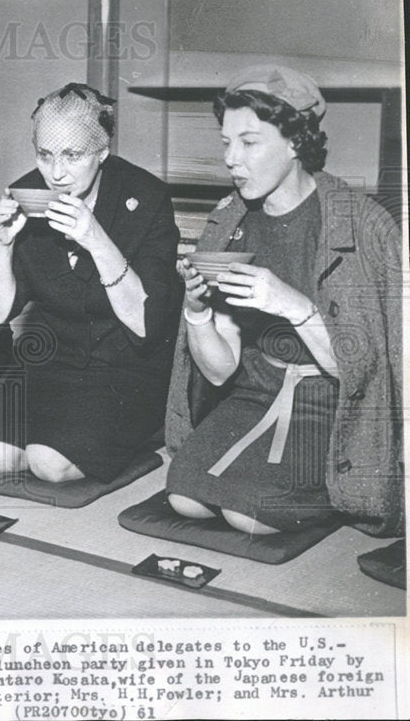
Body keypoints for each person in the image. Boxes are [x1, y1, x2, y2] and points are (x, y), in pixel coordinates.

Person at [165, 65, 403, 536]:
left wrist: (291, 303)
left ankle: (337, 488)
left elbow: (365, 371)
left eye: (249, 142)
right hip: (255, 392)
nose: (232, 159)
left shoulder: (361, 225)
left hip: (333, 405)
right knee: (184, 494)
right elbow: (218, 369)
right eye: (226, 143)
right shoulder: (230, 221)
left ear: (296, 142)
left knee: (248, 511)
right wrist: (197, 312)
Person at [0, 83, 182, 483]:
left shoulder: (145, 197)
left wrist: (96, 238)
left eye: (72, 155)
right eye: (45, 154)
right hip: (50, 358)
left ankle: (137, 433)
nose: (56, 173)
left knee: (49, 464)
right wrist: (1, 245)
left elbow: (145, 322)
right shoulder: (28, 193)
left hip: (122, 366)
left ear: (102, 151)